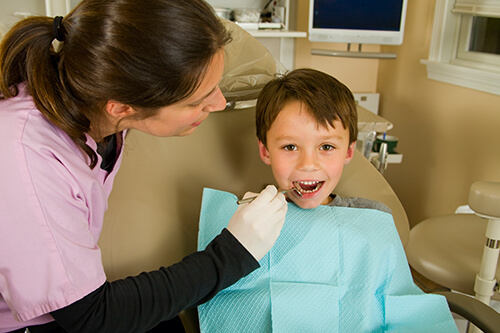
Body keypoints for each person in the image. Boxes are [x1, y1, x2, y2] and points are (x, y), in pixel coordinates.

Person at [0, 0, 288, 332]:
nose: (219, 103)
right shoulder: (26, 157)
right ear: (122, 108)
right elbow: (91, 317)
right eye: (199, 99)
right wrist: (232, 254)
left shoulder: (93, 105)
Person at [197, 68, 459, 332]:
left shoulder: (371, 218)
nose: (308, 164)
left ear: (348, 151)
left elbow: (401, 307)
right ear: (266, 151)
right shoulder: (248, 221)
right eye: (290, 147)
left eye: (326, 147)